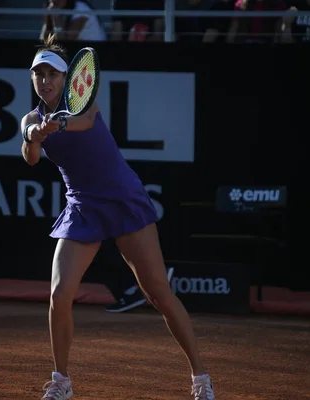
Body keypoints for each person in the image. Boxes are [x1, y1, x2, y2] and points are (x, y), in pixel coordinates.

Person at [20, 35, 215, 400]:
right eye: (38, 74)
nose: (45, 81)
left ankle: (200, 376)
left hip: (123, 198)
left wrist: (56, 125)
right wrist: (34, 133)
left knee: (157, 293)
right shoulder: (31, 116)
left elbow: (81, 122)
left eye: (52, 74)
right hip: (82, 207)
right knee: (59, 295)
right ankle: (61, 381)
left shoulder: (84, 105)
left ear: (66, 79)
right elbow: (30, 155)